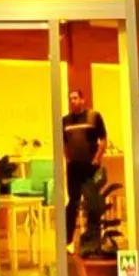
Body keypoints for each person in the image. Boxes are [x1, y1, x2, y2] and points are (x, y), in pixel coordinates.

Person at [62, 87, 107, 246]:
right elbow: (63, 143)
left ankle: (94, 238)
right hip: (74, 167)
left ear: (82, 100)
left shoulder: (93, 117)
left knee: (92, 201)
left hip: (90, 167)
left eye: (75, 98)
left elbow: (103, 140)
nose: (72, 101)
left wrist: (96, 159)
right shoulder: (65, 121)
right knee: (73, 202)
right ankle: (67, 240)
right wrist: (67, 158)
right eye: (70, 98)